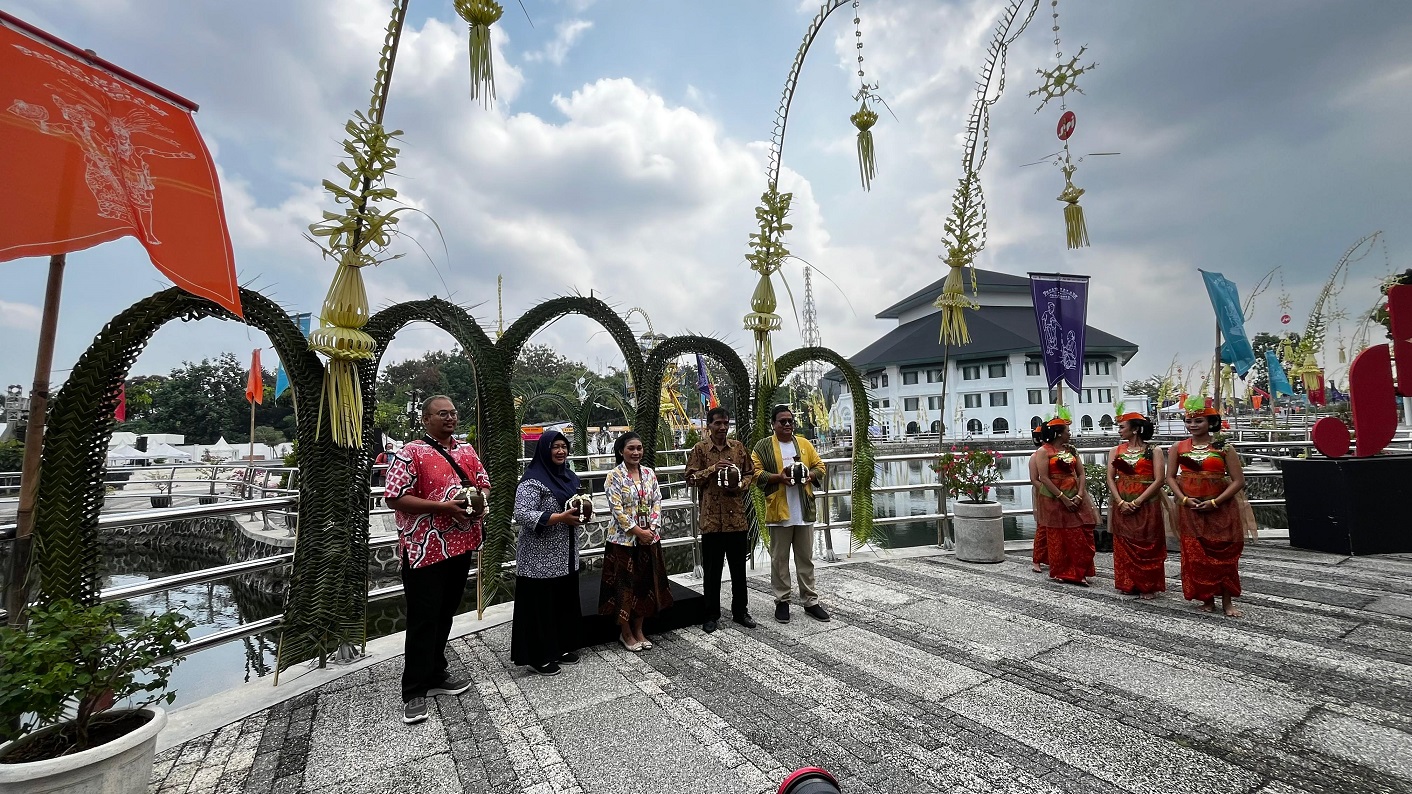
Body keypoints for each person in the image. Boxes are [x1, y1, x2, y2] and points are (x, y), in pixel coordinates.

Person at [383, 395, 489, 725]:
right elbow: (395, 496)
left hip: (460, 545)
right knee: (423, 618)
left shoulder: (467, 451)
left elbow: (485, 484)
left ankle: (436, 672)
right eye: (442, 413)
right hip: (424, 550)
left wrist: (477, 500)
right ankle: (414, 690)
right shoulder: (411, 452)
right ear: (426, 419)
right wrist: (443, 507)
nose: (450, 418)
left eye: (453, 413)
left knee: (445, 613)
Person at [1167, 397, 1254, 617]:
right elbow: (1170, 477)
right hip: (1191, 509)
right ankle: (1206, 598)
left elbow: (1237, 481)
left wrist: (1215, 502)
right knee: (1196, 556)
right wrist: (1184, 500)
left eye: (1198, 421)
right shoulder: (1178, 447)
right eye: (1188, 421)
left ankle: (1227, 602)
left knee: (1224, 555)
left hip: (1221, 509)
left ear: (1211, 422)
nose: (1192, 425)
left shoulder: (1223, 447)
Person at [511, 430, 585, 675]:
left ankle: (562, 646)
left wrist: (584, 512)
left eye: (564, 446)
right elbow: (521, 513)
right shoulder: (532, 481)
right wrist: (559, 518)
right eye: (555, 446)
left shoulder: (569, 477)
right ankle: (538, 655)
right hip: (539, 557)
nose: (560, 451)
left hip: (565, 553)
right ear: (544, 450)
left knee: (562, 602)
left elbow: (578, 503)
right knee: (540, 607)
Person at [751, 405, 829, 624]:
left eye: (790, 421)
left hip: (803, 510)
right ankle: (782, 601)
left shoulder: (804, 444)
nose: (787, 424)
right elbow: (754, 473)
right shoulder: (763, 447)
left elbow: (820, 467)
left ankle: (810, 601)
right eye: (782, 421)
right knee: (779, 559)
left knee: (805, 558)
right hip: (779, 511)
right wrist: (778, 477)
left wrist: (809, 475)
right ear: (773, 424)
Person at [685, 407, 758, 633]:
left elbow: (750, 473)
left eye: (726, 423)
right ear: (709, 426)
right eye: (718, 423)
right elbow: (690, 478)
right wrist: (712, 469)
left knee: (738, 570)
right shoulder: (700, 449)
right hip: (711, 521)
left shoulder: (738, 448)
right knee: (712, 570)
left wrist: (741, 485)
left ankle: (740, 611)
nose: (723, 427)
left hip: (736, 519)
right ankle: (711, 615)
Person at [601, 432, 673, 650]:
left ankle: (640, 630)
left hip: (648, 539)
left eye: (639, 448)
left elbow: (657, 502)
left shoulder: (649, 474)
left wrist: (651, 529)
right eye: (631, 448)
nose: (636, 452)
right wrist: (636, 531)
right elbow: (617, 509)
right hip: (623, 541)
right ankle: (626, 633)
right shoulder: (614, 476)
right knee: (624, 587)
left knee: (644, 585)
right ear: (621, 451)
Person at [1028, 409, 1097, 586]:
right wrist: (1062, 498)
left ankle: (1079, 570)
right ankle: (1060, 571)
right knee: (1057, 535)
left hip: (1075, 494)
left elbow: (1081, 474)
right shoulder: (1044, 451)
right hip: (1054, 498)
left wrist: (1080, 494)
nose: (1070, 433)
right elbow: (1043, 478)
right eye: (1067, 431)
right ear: (1059, 433)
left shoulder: (1071, 450)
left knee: (1080, 534)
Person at [1105, 410, 1168, 598]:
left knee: (1147, 541)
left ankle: (1147, 583)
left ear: (1135, 430)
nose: (1119, 431)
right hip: (1122, 499)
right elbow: (1110, 477)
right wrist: (1120, 501)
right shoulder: (1115, 451)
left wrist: (1138, 501)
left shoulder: (1153, 450)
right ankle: (1128, 582)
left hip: (1147, 502)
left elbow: (1159, 480)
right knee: (1124, 541)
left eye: (1122, 427)